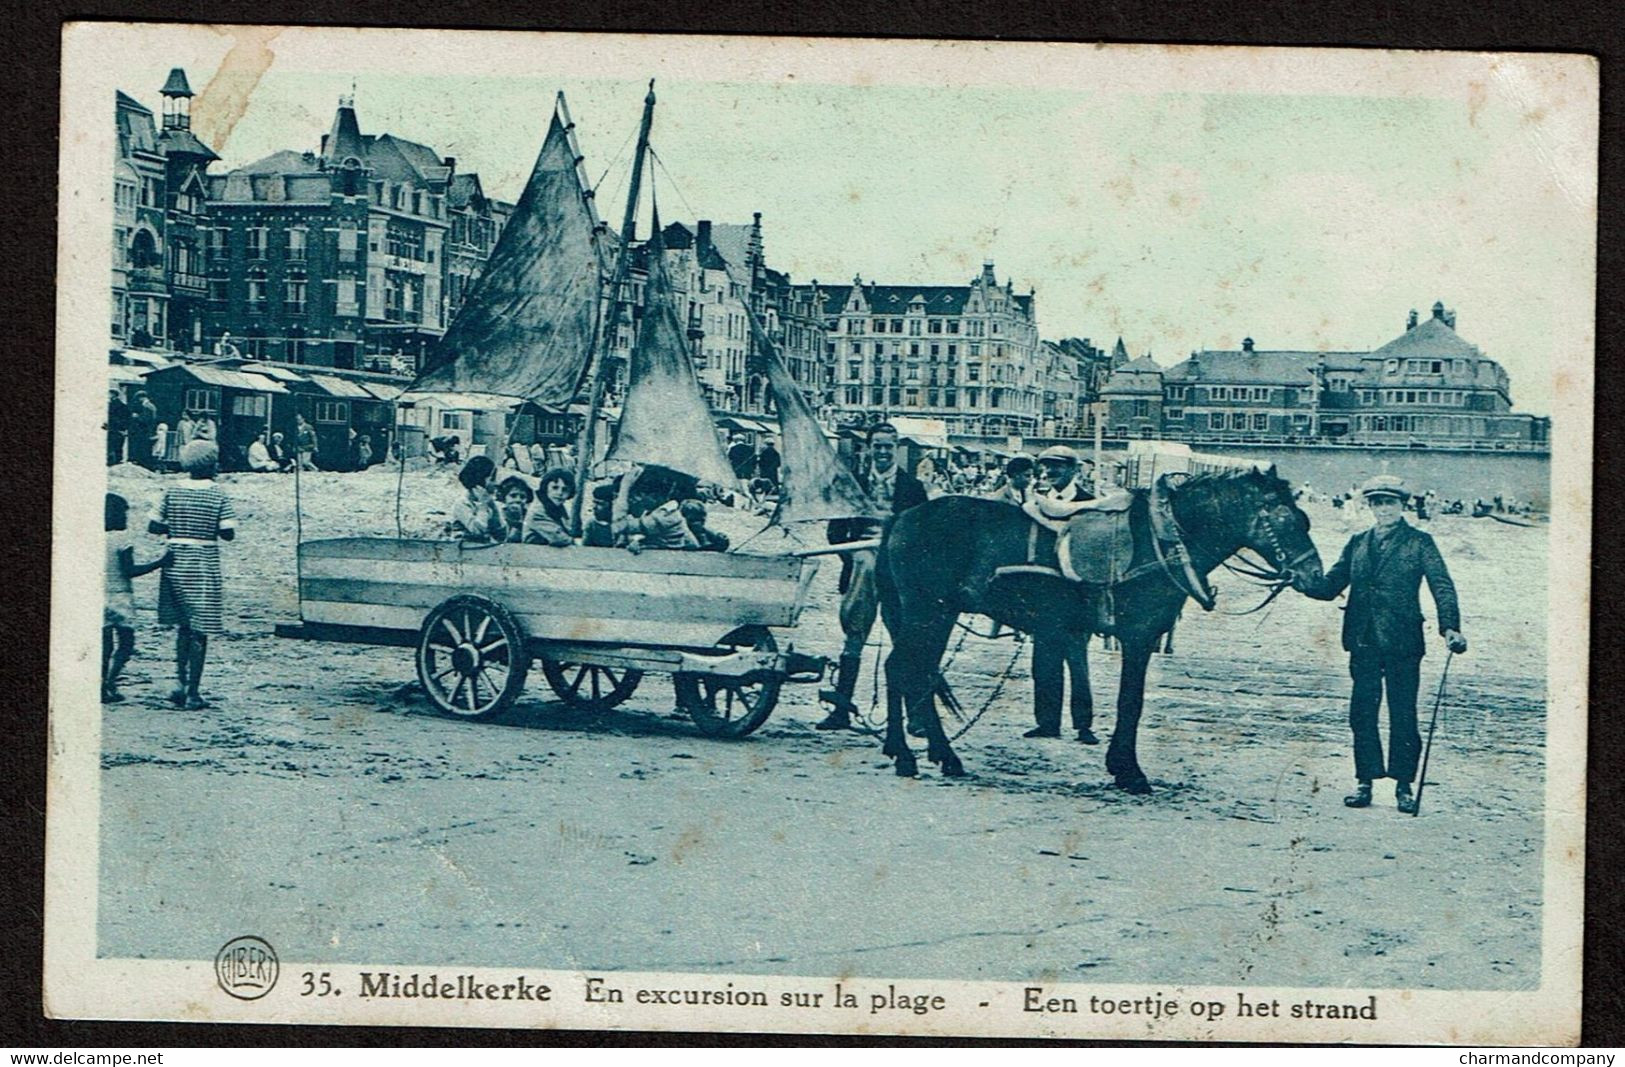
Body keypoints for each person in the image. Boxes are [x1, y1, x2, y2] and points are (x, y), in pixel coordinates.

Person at [1303, 474, 1467, 814]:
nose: (1383, 509)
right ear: (1370, 507)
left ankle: (1403, 785)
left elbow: (1442, 586)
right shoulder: (1357, 542)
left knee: (1402, 712)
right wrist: (1299, 580)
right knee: (1362, 713)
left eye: (1389, 502)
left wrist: (1449, 627)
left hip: (1403, 640)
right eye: (1377, 503)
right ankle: (1365, 781)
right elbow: (1331, 585)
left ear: (1401, 505)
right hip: (1362, 640)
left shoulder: (1420, 542)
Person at [817, 422, 929, 731]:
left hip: (898, 571)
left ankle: (916, 718)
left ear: (897, 450)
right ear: (869, 448)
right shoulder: (853, 484)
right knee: (855, 636)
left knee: (905, 640)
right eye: (877, 446)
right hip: (863, 566)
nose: (882, 452)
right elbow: (836, 533)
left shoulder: (913, 488)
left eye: (888, 447)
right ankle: (840, 710)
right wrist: (852, 558)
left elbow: (924, 537)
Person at [151, 441, 236, 710]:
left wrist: (176, 530)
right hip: (202, 561)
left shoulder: (172, 490)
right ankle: (194, 693)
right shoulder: (219, 495)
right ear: (212, 465)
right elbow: (228, 533)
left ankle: (179, 682)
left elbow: (154, 525)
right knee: (201, 628)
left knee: (182, 626)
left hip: (174, 558)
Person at [1023, 445, 1099, 743]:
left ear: (1073, 470)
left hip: (1077, 598)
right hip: (1045, 597)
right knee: (1043, 663)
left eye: (1057, 466)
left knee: (1078, 664)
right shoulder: (1037, 504)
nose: (1050, 471)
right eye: (1046, 466)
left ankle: (1083, 725)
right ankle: (1047, 723)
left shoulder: (1090, 503)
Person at [103, 493, 168, 703]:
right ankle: (110, 681)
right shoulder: (122, 539)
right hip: (121, 597)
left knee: (104, 646)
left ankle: (100, 684)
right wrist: (160, 562)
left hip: (98, 596)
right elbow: (129, 570)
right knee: (126, 643)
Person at [613, 465, 699, 552]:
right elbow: (692, 543)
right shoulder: (669, 512)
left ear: (654, 496)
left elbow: (619, 526)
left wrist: (624, 488)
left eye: (640, 495)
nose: (638, 499)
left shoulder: (664, 516)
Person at [449, 455, 505, 543]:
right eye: (492, 479)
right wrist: (482, 506)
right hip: (463, 550)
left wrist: (492, 506)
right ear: (480, 481)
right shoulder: (462, 504)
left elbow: (500, 534)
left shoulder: (489, 504)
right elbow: (477, 531)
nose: (496, 483)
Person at [523, 469, 577, 547]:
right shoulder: (538, 511)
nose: (560, 493)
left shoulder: (558, 509)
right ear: (546, 488)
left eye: (565, 489)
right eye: (555, 488)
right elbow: (559, 538)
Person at [493, 475, 534, 542]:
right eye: (513, 496)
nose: (518, 500)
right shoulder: (499, 514)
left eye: (522, 497)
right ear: (504, 497)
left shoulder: (529, 516)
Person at [582, 482, 617, 547]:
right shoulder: (592, 525)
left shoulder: (622, 525)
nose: (594, 507)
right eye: (594, 502)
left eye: (600, 504)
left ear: (611, 506)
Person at [127, 391, 156, 468]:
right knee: (144, 448)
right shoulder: (148, 406)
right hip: (145, 431)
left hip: (145, 431)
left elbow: (147, 419)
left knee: (144, 449)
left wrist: (137, 416)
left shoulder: (148, 406)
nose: (138, 400)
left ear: (142, 397)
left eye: (139, 398)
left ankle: (146, 466)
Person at [107, 389, 130, 466]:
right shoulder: (120, 405)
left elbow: (124, 418)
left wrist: (122, 428)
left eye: (110, 394)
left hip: (116, 429)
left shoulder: (117, 405)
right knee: (116, 446)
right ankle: (116, 461)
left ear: (114, 395)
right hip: (115, 429)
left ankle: (115, 462)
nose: (108, 395)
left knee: (115, 446)